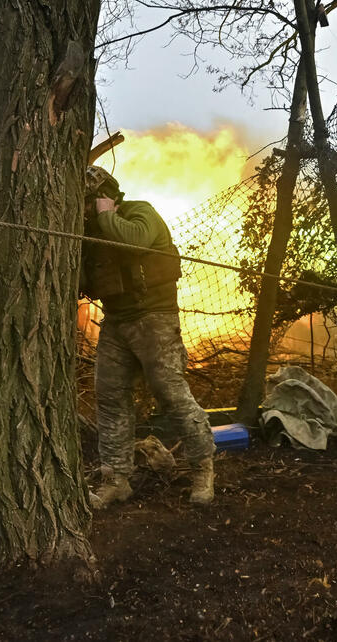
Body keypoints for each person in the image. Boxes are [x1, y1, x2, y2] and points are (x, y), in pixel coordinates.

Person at [81, 165, 215, 508]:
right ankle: (116, 480)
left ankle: (202, 469)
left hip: (154, 319)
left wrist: (106, 215)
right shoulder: (90, 233)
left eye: (88, 201)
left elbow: (136, 240)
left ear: (104, 196)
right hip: (116, 322)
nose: (83, 209)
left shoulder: (140, 212)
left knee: (171, 394)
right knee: (110, 397)